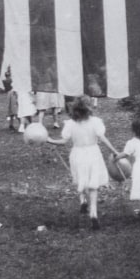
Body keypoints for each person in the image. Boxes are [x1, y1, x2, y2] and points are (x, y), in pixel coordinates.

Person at [50, 95, 119, 230]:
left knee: (80, 177)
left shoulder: (70, 124)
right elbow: (103, 139)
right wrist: (115, 151)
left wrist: (49, 140)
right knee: (93, 184)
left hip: (77, 154)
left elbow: (63, 141)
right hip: (93, 153)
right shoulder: (95, 122)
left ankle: (82, 200)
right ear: (89, 108)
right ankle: (93, 213)